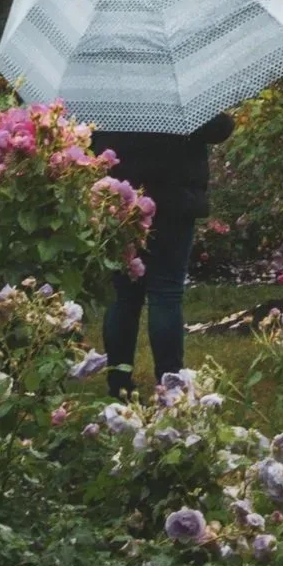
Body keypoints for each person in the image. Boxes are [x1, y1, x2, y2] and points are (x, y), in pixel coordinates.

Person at [93, 109, 233, 390]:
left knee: (124, 295)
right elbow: (217, 129)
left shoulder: (108, 81)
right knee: (166, 292)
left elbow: (93, 139)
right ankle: (169, 385)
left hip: (120, 197)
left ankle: (118, 384)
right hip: (175, 198)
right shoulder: (181, 87)